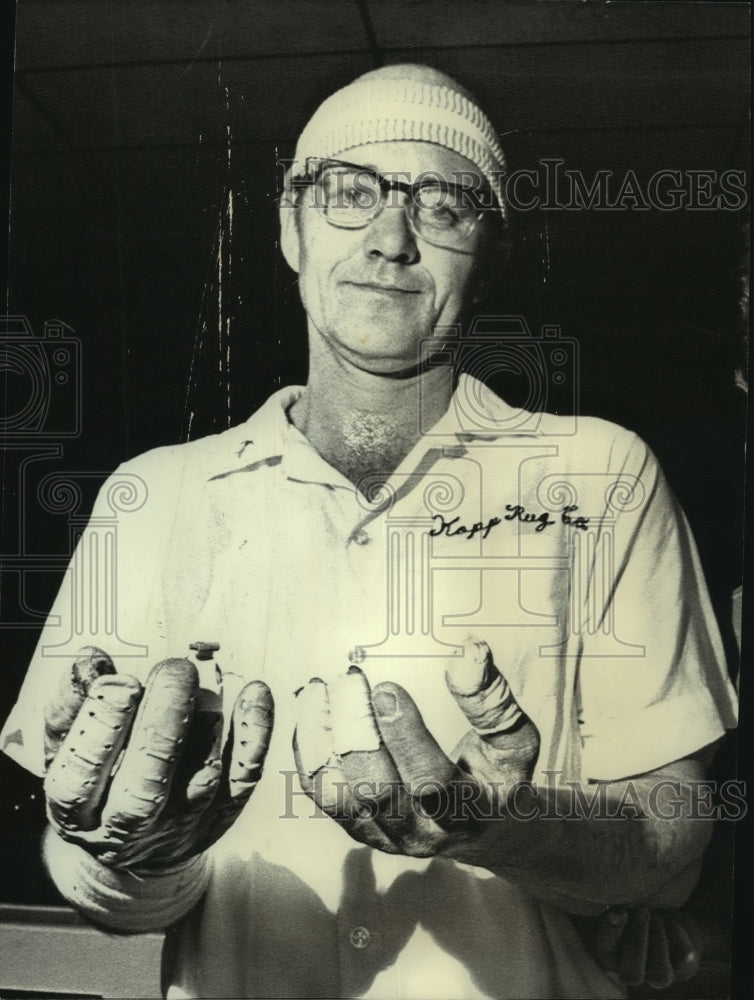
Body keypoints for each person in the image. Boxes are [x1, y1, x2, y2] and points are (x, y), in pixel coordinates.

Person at [0, 64, 738, 999]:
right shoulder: (152, 496)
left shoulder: (602, 476)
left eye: (444, 205)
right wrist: (137, 860)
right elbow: (94, 882)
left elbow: (668, 853)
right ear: (287, 228)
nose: (391, 239)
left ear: (494, 249)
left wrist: (497, 827)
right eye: (349, 193)